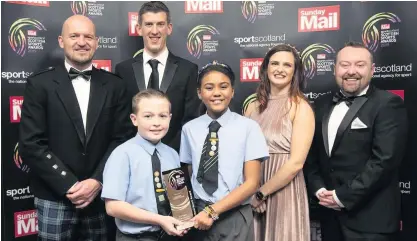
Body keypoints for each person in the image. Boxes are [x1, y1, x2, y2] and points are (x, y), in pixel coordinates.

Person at [18, 15, 132, 241]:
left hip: (100, 197)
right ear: (61, 41)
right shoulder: (39, 84)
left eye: (88, 36)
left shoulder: (116, 85)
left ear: (97, 42)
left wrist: (97, 181)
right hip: (53, 195)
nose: (82, 42)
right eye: (74, 36)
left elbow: (122, 138)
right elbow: (31, 143)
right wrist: (69, 184)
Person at [305, 41, 408, 241]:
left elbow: (384, 161)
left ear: (372, 70)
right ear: (335, 69)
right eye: (344, 65)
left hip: (371, 221)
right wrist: (319, 189)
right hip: (329, 217)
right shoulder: (321, 104)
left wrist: (342, 197)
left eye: (360, 65)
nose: (351, 71)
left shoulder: (388, 104)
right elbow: (312, 156)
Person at [180, 61, 269, 241]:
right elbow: (189, 175)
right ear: (199, 93)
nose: (217, 93)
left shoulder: (248, 128)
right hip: (199, 215)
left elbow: (252, 183)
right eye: (209, 87)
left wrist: (213, 211)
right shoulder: (189, 129)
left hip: (234, 215)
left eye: (223, 86)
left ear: (232, 91)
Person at [242, 44, 314, 241]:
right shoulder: (252, 107)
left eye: (287, 65)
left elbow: (296, 163)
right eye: (274, 63)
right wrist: (251, 190)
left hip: (284, 191)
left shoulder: (300, 107)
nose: (279, 69)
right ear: (265, 68)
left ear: (295, 71)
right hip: (252, 186)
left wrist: (261, 194)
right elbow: (242, 153)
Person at [102, 90, 187, 241]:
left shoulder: (172, 154)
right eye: (148, 116)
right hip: (135, 237)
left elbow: (177, 197)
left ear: (170, 118)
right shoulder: (122, 154)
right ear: (134, 119)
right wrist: (159, 220)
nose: (156, 122)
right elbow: (113, 207)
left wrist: (185, 219)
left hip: (170, 235)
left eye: (162, 116)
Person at [115, 1, 200, 151]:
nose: (155, 31)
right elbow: (121, 122)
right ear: (139, 29)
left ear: (169, 28)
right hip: (134, 158)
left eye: (160, 24)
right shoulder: (123, 70)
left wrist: (167, 154)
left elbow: (189, 121)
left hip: (174, 159)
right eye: (149, 24)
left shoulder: (188, 70)